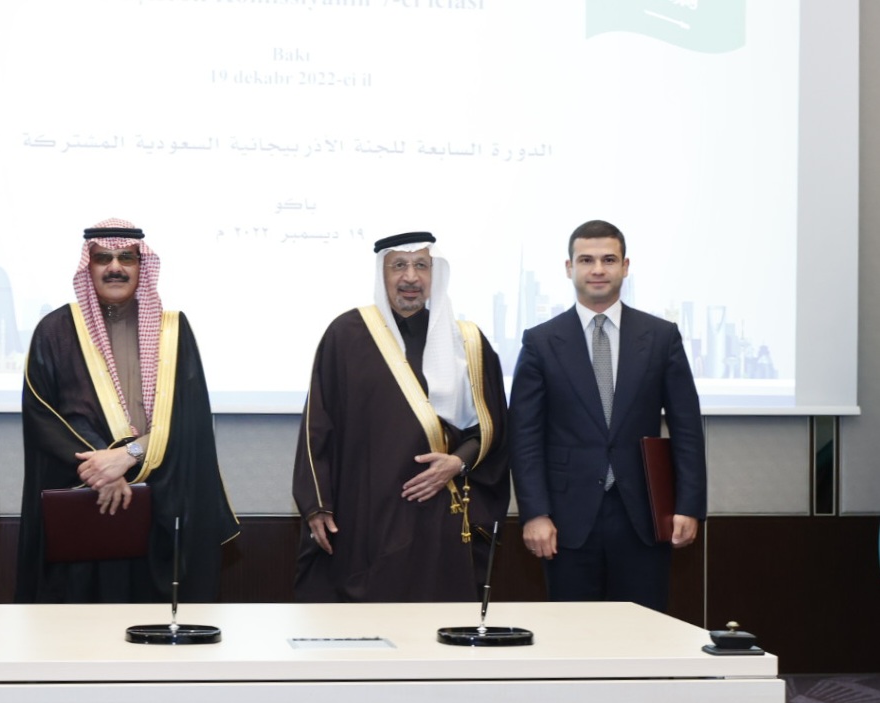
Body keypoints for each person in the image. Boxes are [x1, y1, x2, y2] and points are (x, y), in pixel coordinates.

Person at [15, 218, 237, 604]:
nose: (115, 267)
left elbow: (191, 419)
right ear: (88, 266)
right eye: (103, 258)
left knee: (150, 620)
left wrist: (128, 456)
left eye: (126, 258)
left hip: (159, 504)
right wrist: (100, 468)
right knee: (81, 621)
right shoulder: (54, 331)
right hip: (85, 500)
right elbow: (42, 415)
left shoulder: (173, 331)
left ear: (141, 265)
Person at [293, 231, 510, 601]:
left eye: (421, 265)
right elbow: (317, 426)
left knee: (439, 613)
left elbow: (492, 428)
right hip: (366, 512)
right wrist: (316, 505)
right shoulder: (346, 335)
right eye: (399, 266)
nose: (411, 277)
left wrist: (456, 463)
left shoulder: (467, 342)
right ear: (382, 273)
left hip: (441, 511)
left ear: (434, 274)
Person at [508, 219, 706, 611]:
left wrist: (688, 506)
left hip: (644, 516)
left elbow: (687, 429)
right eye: (586, 260)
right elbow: (524, 437)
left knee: (644, 632)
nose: (598, 269)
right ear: (570, 268)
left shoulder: (661, 337)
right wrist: (535, 514)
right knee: (572, 634)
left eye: (608, 259)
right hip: (565, 521)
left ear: (625, 266)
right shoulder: (541, 342)